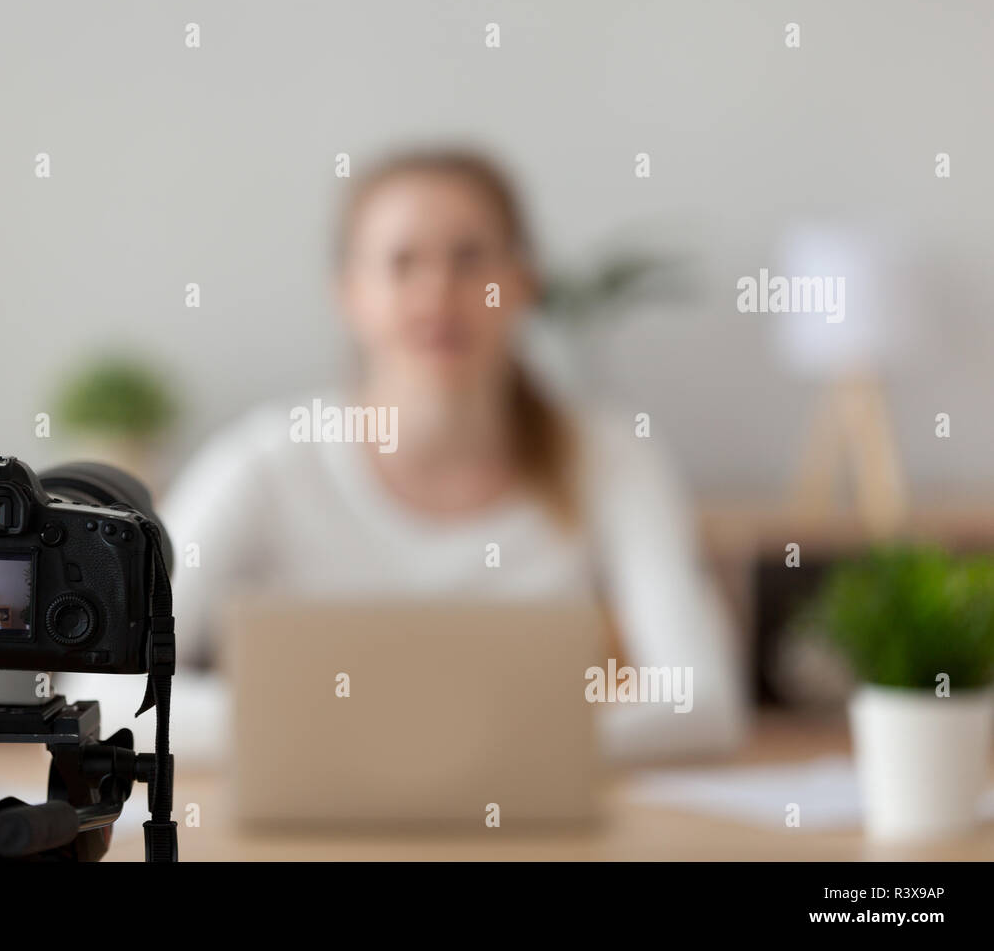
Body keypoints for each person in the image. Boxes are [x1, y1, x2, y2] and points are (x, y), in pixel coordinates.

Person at [160, 149, 747, 761]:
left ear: (524, 283)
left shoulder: (611, 456)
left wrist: (459, 749)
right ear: (349, 294)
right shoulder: (262, 462)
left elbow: (702, 700)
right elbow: (108, 694)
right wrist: (381, 740)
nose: (438, 292)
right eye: (402, 262)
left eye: (470, 259)